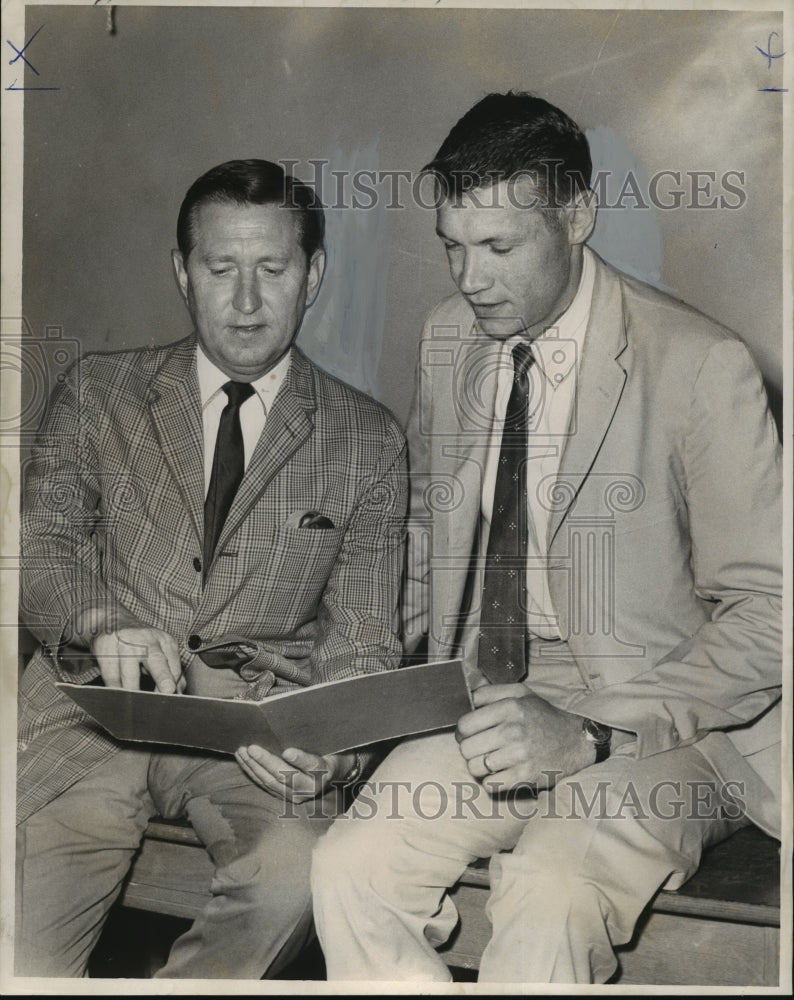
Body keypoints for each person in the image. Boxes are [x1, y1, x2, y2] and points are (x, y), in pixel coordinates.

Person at [311, 93, 783, 983]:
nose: (469, 277)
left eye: (499, 247)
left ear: (577, 215)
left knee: (551, 888)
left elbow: (770, 618)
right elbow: (421, 541)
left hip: (670, 726)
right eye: (452, 244)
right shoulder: (450, 339)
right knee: (347, 868)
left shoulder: (699, 364)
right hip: (490, 702)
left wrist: (592, 732)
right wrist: (344, 696)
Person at [16, 158, 406, 978]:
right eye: (221, 269)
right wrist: (101, 621)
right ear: (181, 273)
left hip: (251, 748)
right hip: (83, 729)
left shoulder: (368, 440)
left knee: (296, 879)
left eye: (273, 269)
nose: (248, 301)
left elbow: (366, 642)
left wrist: (337, 751)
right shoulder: (97, 393)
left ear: (315, 275)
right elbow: (37, 552)